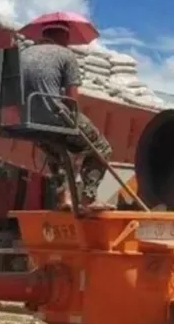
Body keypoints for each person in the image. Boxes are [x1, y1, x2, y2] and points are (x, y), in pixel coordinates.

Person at [19, 22, 113, 210]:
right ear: (63, 39)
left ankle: (65, 198)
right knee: (102, 148)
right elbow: (72, 98)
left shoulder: (22, 55)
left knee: (58, 151)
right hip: (54, 116)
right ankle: (89, 197)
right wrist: (74, 122)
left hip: (26, 120)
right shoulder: (66, 55)